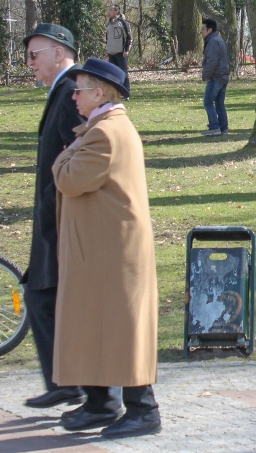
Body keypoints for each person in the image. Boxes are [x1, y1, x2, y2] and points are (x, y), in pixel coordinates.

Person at [52, 58, 161, 437]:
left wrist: (64, 154)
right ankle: (101, 403)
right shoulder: (101, 128)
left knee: (121, 330)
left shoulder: (105, 134)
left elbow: (69, 178)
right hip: (102, 251)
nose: (74, 96)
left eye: (79, 90)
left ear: (99, 93)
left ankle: (143, 410)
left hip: (113, 254)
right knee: (96, 325)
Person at [21, 24, 88, 410]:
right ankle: (65, 381)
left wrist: (52, 203)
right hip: (53, 217)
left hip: (61, 220)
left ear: (59, 52)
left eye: (35, 55)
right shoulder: (63, 91)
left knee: (45, 297)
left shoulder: (69, 93)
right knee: (41, 296)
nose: (30, 63)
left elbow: (77, 154)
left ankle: (78, 385)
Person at [200, 18, 230, 136]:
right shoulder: (220, 40)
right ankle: (223, 128)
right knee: (219, 104)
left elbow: (212, 61)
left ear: (209, 30)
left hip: (216, 77)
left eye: (203, 29)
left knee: (208, 102)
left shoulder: (212, 42)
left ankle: (214, 127)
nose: (201, 32)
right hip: (223, 76)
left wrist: (206, 75)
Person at [105, 5, 132, 91]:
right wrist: (107, 52)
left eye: (111, 10)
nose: (109, 12)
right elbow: (108, 39)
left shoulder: (123, 23)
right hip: (111, 53)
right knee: (113, 74)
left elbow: (129, 38)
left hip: (121, 53)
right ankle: (116, 92)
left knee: (123, 73)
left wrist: (126, 50)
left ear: (117, 12)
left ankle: (126, 91)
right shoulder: (109, 24)